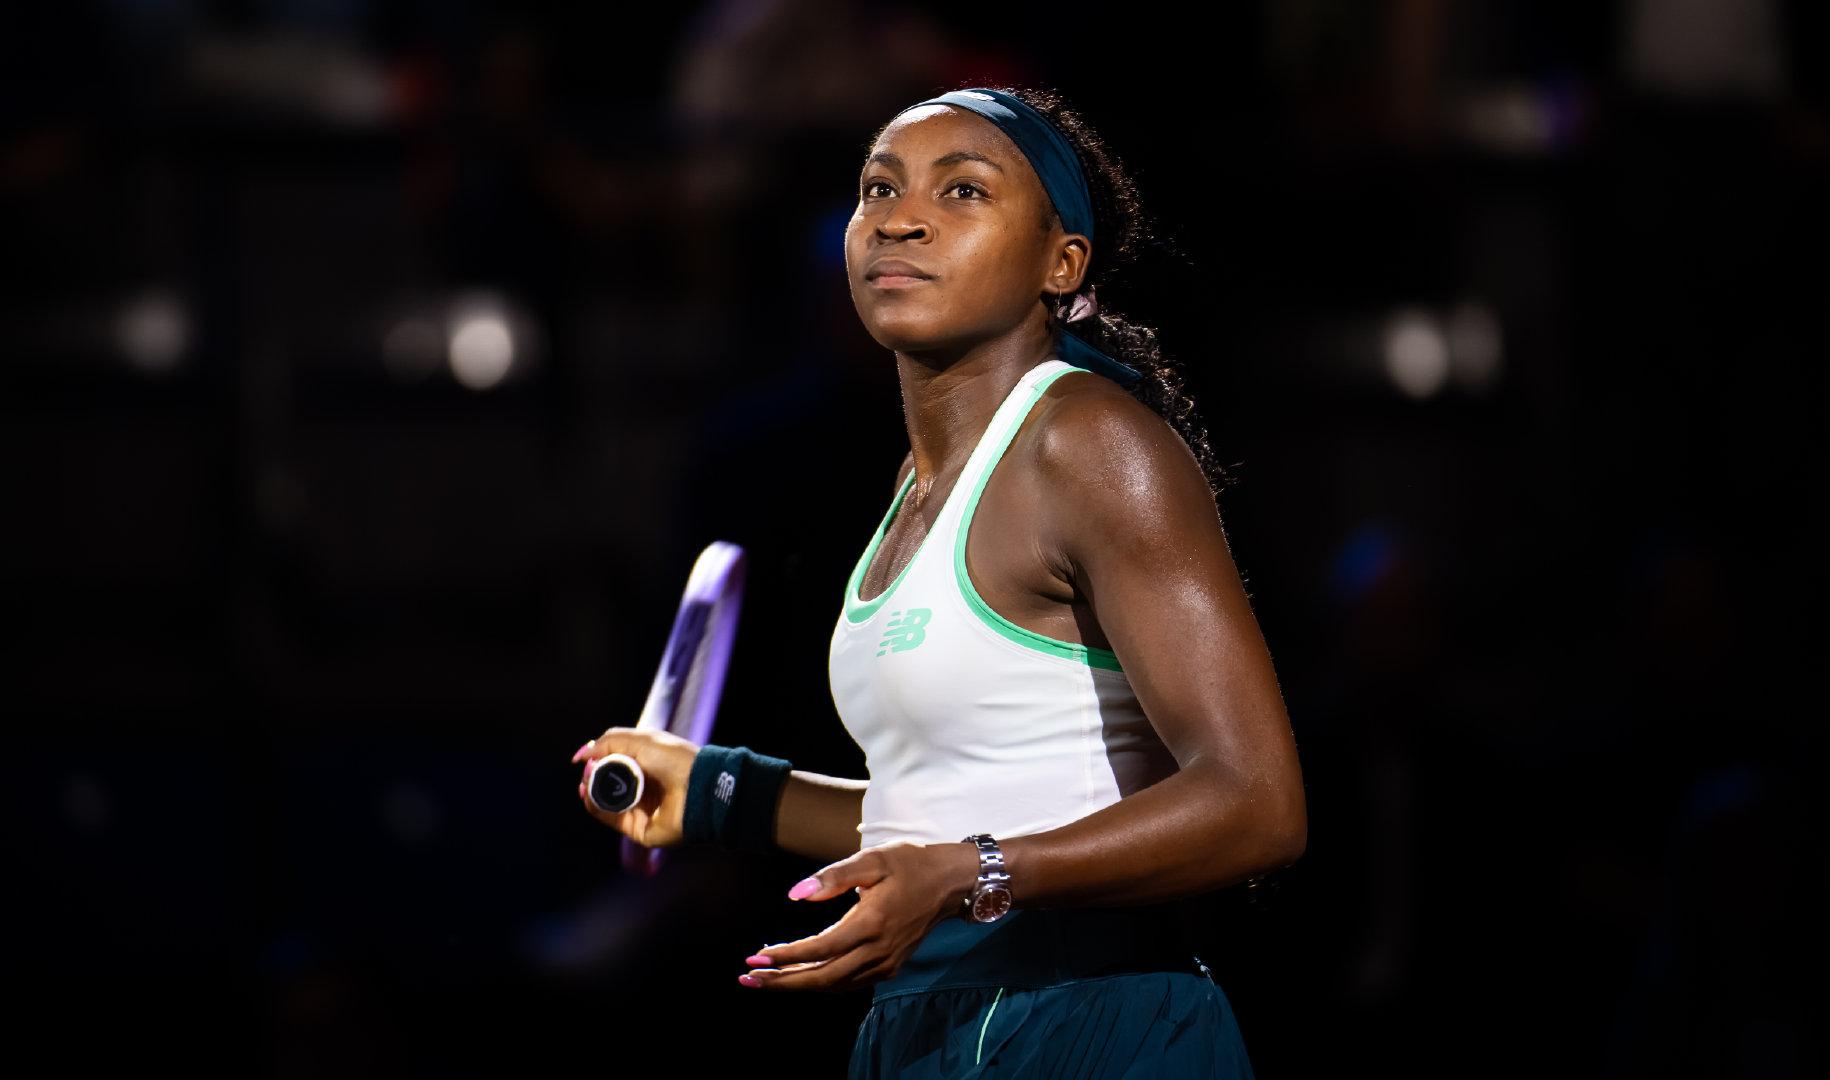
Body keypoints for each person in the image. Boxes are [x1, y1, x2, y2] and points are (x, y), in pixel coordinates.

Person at [573, 87, 1305, 1078]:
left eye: (963, 190)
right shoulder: (914, 489)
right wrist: (717, 792)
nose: (900, 219)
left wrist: (974, 875)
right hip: (927, 1027)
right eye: (879, 188)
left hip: (1091, 1018)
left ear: (1062, 264)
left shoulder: (1090, 445)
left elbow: (1258, 804)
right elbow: (940, 811)